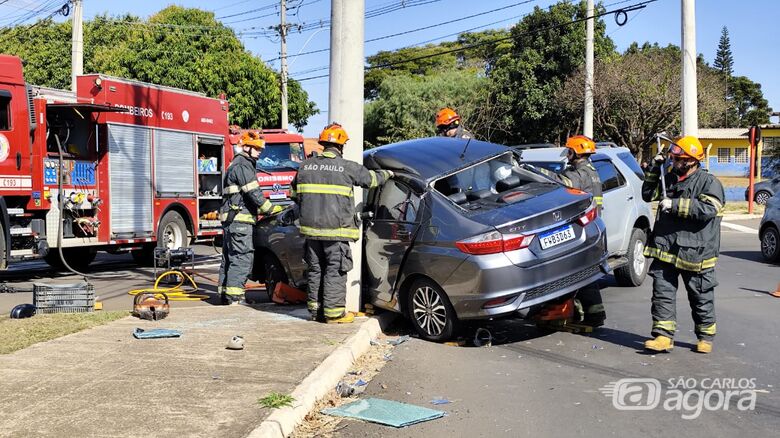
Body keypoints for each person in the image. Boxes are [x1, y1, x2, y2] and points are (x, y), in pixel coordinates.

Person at [292, 123, 394, 323]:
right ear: (341, 146)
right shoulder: (346, 167)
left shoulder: (304, 167)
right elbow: (371, 180)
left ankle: (315, 311)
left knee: (315, 270)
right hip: (335, 232)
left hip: (311, 233)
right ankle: (334, 313)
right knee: (335, 270)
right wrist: (388, 174)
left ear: (323, 143)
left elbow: (294, 195)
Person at [641, 136, 724, 354]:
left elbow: (709, 209)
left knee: (700, 296)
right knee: (662, 293)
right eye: (673, 158)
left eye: (679, 159)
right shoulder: (667, 178)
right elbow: (647, 194)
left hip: (695, 251)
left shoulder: (708, 182)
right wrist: (654, 168)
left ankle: (706, 336)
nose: (674, 162)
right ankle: (663, 336)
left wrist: (675, 205)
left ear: (692, 160)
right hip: (666, 247)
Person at [535, 135, 606, 329]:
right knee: (585, 273)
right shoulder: (591, 171)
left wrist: (534, 171)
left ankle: (590, 315)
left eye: (568, 151)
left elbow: (560, 181)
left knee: (577, 273)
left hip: (581, 228)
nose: (567, 155)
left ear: (574, 152)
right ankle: (592, 314)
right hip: (590, 226)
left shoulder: (580, 174)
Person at [217, 131, 283, 304]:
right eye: (255, 148)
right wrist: (270, 209)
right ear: (245, 147)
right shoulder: (243, 165)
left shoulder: (237, 163)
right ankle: (235, 298)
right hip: (240, 220)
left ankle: (226, 295)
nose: (259, 151)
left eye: (260, 148)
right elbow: (254, 193)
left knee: (230, 257)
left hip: (232, 220)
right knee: (242, 257)